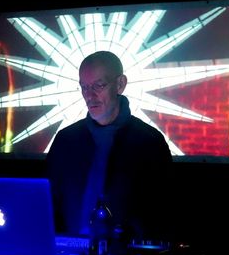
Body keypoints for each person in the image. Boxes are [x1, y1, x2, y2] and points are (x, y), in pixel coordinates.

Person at [46, 51, 173, 244]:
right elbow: (47, 204)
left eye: (99, 85)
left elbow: (161, 215)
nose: (90, 95)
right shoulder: (66, 140)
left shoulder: (149, 142)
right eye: (84, 87)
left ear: (120, 84)